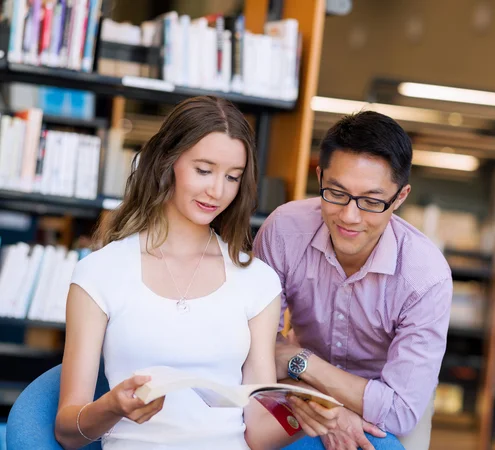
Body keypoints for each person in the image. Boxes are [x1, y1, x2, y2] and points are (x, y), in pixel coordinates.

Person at [54, 96, 339, 450]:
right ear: (167, 162)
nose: (217, 191)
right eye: (203, 170)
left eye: (232, 177)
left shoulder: (257, 282)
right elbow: (67, 431)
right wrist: (111, 407)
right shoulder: (99, 273)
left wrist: (300, 415)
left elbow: (255, 434)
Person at [254, 110, 453, 450]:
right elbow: (255, 351)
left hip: (387, 397)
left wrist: (297, 358)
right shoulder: (285, 231)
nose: (349, 215)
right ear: (319, 176)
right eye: (336, 192)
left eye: (372, 201)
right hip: (296, 385)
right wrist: (327, 403)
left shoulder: (426, 277)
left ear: (400, 197)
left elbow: (402, 410)